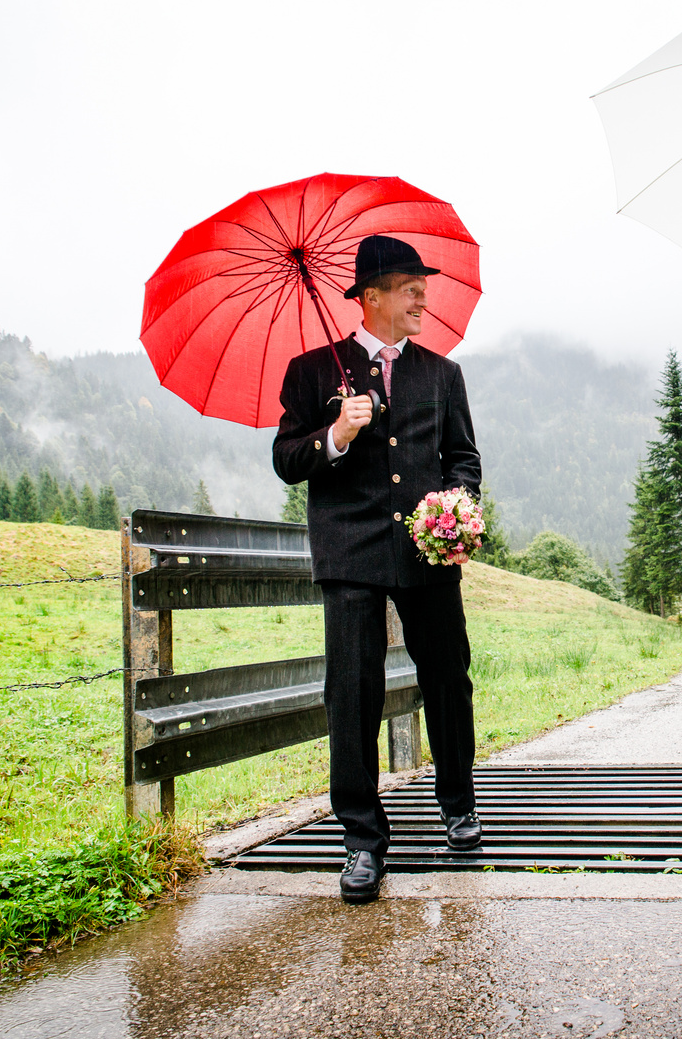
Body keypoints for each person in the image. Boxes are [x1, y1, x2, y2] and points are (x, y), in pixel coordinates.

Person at [272, 234, 483, 905]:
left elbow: (463, 460)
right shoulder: (311, 373)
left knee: (448, 677)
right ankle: (362, 841)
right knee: (353, 693)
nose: (423, 296)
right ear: (371, 297)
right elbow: (285, 459)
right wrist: (337, 434)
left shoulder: (443, 375)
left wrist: (457, 510)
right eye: (410, 287)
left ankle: (458, 805)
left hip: (428, 552)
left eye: (424, 286)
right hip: (350, 553)